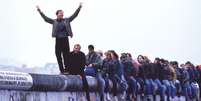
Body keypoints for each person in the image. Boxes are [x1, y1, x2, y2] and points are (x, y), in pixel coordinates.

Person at [36, 3, 82, 73]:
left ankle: (67, 70)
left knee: (66, 56)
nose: (62, 14)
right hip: (58, 40)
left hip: (65, 39)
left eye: (62, 13)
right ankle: (62, 70)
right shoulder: (54, 21)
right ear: (57, 14)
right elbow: (46, 19)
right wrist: (40, 11)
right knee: (58, 55)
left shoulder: (66, 20)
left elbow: (74, 15)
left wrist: (79, 7)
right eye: (60, 13)